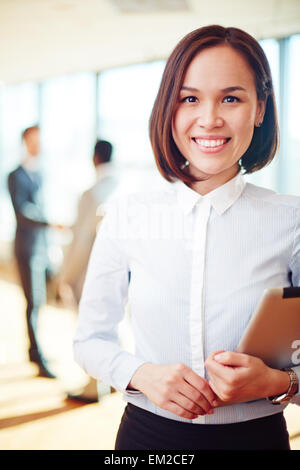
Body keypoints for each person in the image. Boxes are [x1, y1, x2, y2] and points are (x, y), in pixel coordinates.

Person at [73, 25, 300, 450]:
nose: (209, 118)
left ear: (260, 108)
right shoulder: (128, 215)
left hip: (257, 440)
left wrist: (277, 381)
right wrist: (141, 373)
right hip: (147, 439)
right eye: (190, 98)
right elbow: (89, 341)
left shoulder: (292, 221)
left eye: (231, 98)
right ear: (169, 109)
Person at [59, 140, 118, 402]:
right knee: (114, 324)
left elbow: (81, 242)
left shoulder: (91, 193)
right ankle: (114, 378)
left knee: (92, 329)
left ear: (95, 158)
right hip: (122, 271)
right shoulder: (122, 188)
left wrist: (66, 276)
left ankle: (95, 385)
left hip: (92, 272)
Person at [8, 125, 58, 378]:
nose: (38, 145)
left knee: (43, 300)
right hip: (26, 247)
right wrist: (50, 223)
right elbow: (22, 211)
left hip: (42, 246)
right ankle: (36, 353)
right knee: (33, 301)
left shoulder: (40, 173)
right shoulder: (15, 175)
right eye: (34, 140)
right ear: (25, 142)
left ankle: (35, 350)